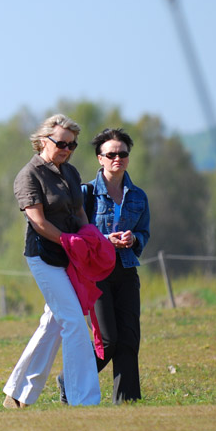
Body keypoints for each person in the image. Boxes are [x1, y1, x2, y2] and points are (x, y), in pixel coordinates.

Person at [2, 114, 102, 407]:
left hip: (71, 255)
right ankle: (83, 399)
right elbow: (38, 222)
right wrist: (68, 241)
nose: (67, 149)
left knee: (54, 323)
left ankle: (18, 394)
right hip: (44, 256)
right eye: (61, 143)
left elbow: (80, 212)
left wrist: (88, 236)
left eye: (72, 145)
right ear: (43, 141)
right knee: (73, 321)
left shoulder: (70, 172)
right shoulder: (28, 176)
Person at [83, 128, 150, 403]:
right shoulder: (86, 193)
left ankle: (127, 401)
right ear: (100, 158)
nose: (117, 159)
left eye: (122, 154)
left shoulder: (138, 196)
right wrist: (104, 239)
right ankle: (71, 380)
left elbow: (145, 233)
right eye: (111, 154)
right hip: (96, 274)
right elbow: (80, 234)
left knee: (129, 338)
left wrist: (134, 238)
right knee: (107, 341)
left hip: (126, 271)